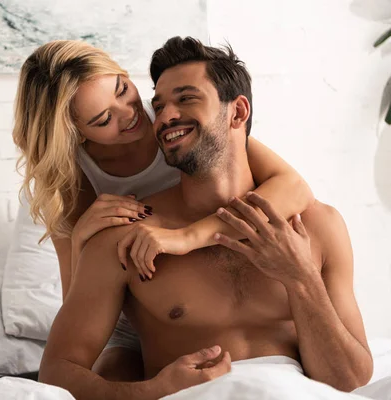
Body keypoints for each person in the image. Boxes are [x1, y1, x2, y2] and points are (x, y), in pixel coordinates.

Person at [37, 36, 373, 399]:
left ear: (238, 113)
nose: (161, 116)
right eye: (159, 105)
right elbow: (58, 372)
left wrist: (300, 278)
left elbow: (350, 381)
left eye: (186, 98)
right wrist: (152, 391)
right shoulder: (120, 238)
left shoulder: (319, 226)